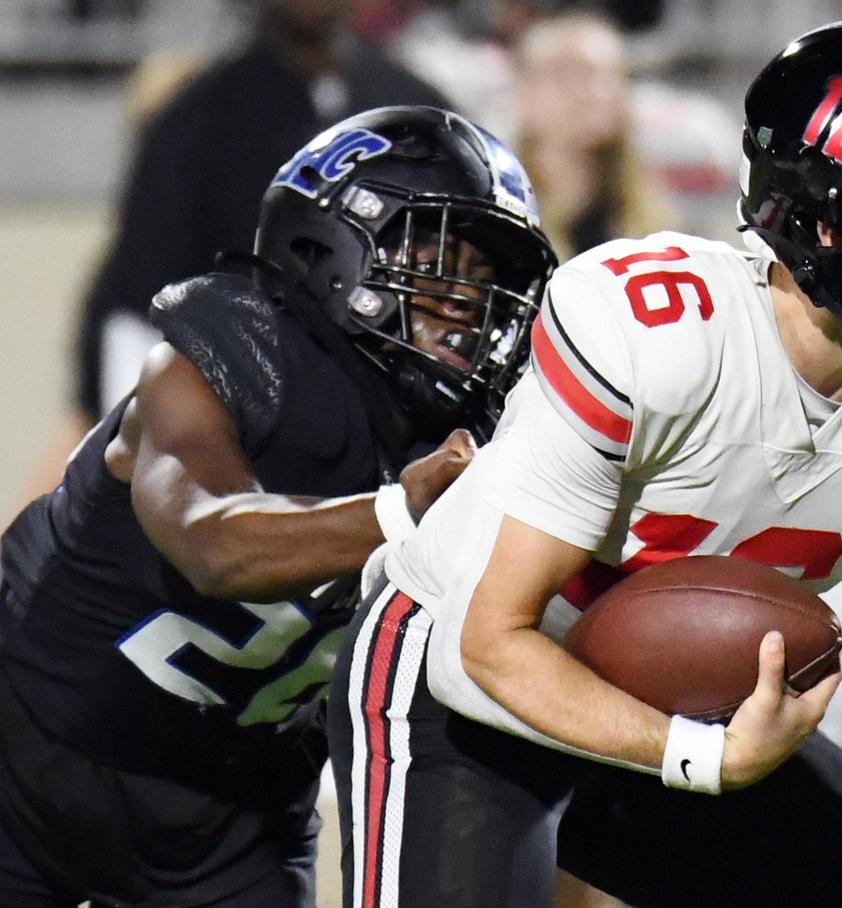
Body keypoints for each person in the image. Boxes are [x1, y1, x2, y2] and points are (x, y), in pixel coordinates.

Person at [328, 17, 842, 908]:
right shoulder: (662, 333)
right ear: (834, 225)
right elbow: (485, 646)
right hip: (467, 684)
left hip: (686, 695)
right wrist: (697, 755)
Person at [0, 106, 555, 907]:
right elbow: (211, 544)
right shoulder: (239, 348)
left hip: (230, 819)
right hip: (27, 752)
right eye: (435, 257)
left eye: (484, 274)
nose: (467, 300)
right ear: (326, 244)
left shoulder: (484, 436)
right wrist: (399, 514)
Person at [19, 0, 456, 504]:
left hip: (400, 421)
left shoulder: (412, 105)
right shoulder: (197, 120)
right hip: (241, 433)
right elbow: (137, 309)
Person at [512, 9, 674, 263]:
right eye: (571, 73)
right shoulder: (504, 217)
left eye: (610, 74)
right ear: (524, 89)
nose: (595, 91)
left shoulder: (651, 219)